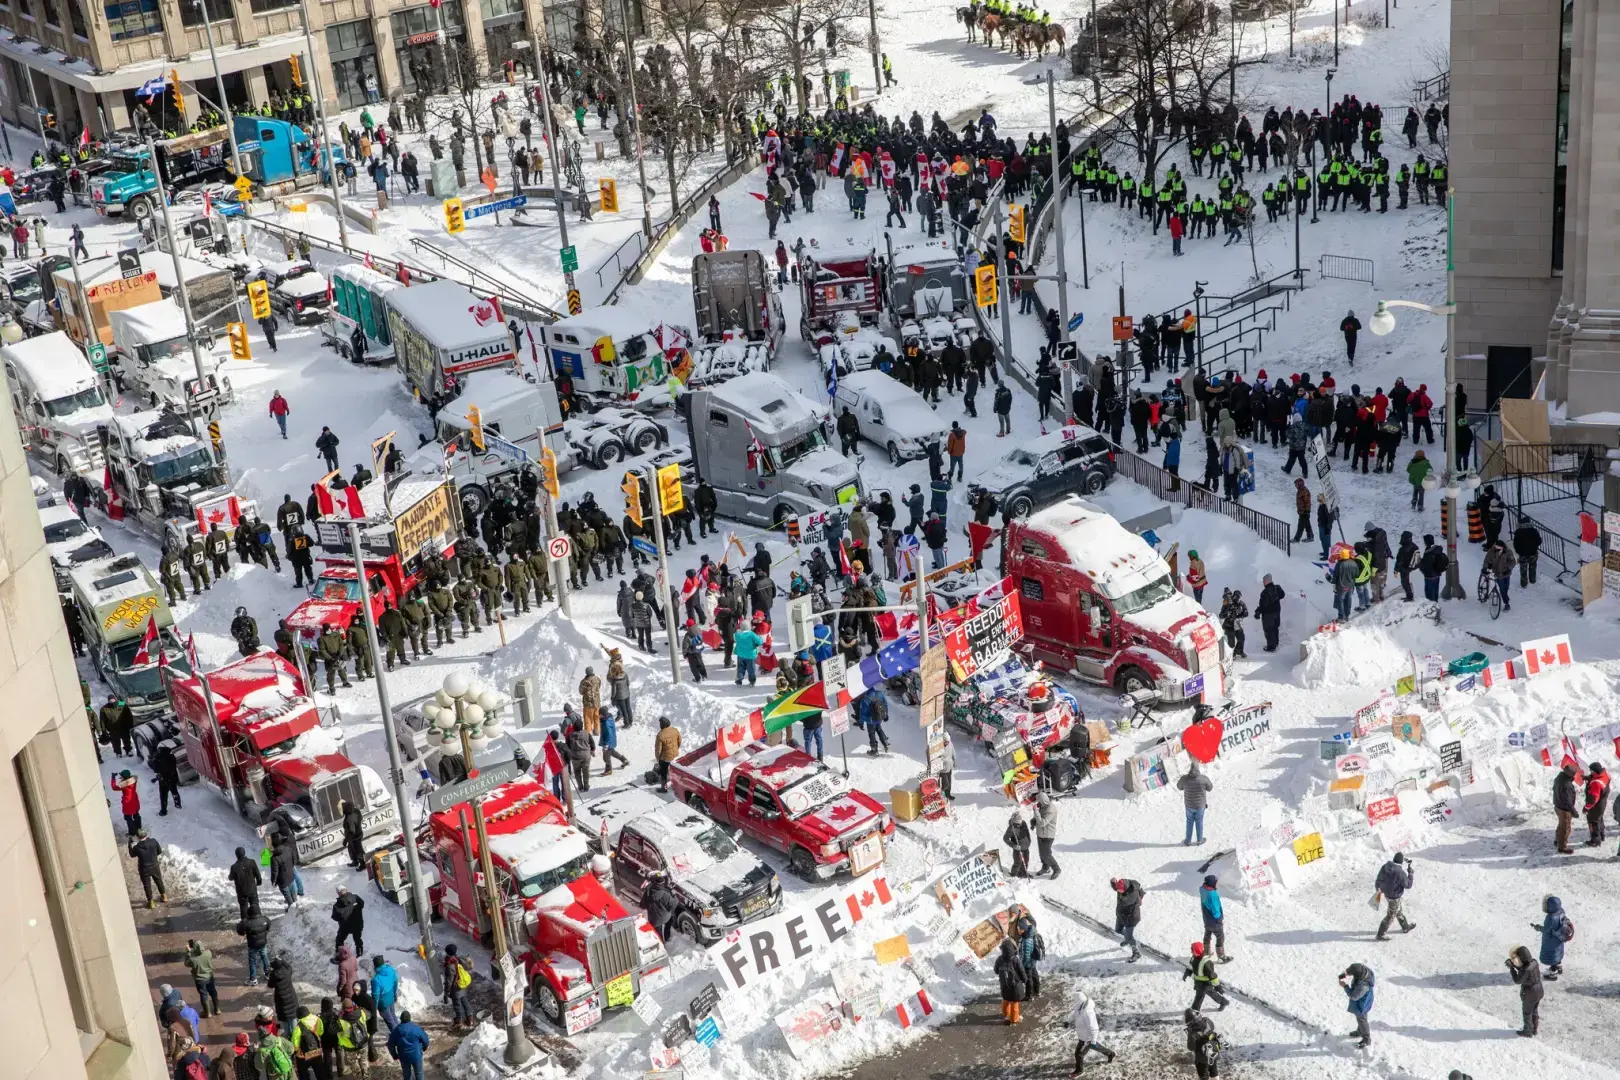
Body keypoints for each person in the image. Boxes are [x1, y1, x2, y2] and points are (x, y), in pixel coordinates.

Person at [1069, 988, 1116, 1076]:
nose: (1074, 1002)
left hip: (1086, 1038)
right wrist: (1068, 1021)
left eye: (1075, 1000)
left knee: (1079, 1054)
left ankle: (1079, 1071)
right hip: (1084, 1036)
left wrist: (1093, 1039)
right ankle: (1110, 1053)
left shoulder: (1088, 1012)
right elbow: (1075, 1013)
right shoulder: (1081, 1006)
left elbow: (1094, 1027)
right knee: (1094, 1046)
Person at [1374, 852, 1416, 939]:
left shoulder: (1385, 866)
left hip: (1387, 894)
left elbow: (1378, 878)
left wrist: (1378, 890)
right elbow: (1408, 885)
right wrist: (1411, 874)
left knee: (1397, 910)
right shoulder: (1400, 872)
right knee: (1390, 916)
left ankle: (1405, 927)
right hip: (1394, 896)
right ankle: (1380, 934)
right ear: (1401, 862)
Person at [1506, 946, 1542, 1037]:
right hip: (1539, 990)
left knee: (1527, 1012)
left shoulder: (1525, 969)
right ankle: (1534, 1029)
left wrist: (1511, 969)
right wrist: (1514, 965)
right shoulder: (1534, 962)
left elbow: (1517, 980)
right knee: (1534, 1010)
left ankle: (1527, 1031)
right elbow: (1524, 971)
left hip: (1530, 993)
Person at [1533, 895, 1571, 980]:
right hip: (1560, 938)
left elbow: (1546, 930)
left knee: (1552, 955)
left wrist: (1538, 928)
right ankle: (1559, 966)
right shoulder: (1561, 911)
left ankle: (1553, 973)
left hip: (1551, 940)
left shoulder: (1551, 918)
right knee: (1558, 952)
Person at [1177, 760, 1213, 845]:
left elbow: (1179, 787)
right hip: (1200, 806)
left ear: (1190, 769)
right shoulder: (1204, 779)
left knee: (1189, 822)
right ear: (1198, 769)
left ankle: (1188, 841)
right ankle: (1199, 840)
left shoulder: (1184, 778)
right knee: (1199, 821)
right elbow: (1210, 788)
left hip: (1189, 805)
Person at [127, 827, 166, 908]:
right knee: (159, 881)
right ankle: (164, 896)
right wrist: (153, 857)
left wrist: (129, 845)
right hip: (155, 866)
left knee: (147, 885)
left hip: (144, 868)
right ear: (146, 834)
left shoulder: (137, 848)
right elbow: (159, 851)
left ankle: (151, 902)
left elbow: (131, 854)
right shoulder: (153, 841)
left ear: (138, 837)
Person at [386, 1011, 431, 1080]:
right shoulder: (416, 1029)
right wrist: (423, 1048)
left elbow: (390, 1045)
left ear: (401, 1019)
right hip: (416, 1055)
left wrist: (394, 1055)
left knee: (407, 1074)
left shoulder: (396, 1031)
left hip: (403, 1057)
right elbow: (426, 1040)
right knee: (419, 1073)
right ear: (410, 1018)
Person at [1339, 962, 1375, 1047]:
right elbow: (1354, 969)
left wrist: (1345, 986)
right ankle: (1360, 1031)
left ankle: (1366, 1039)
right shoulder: (1364, 970)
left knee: (1362, 1019)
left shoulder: (1363, 986)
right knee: (1360, 1018)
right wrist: (1346, 973)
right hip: (1363, 999)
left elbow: (1354, 996)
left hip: (1362, 1003)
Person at [1184, 942, 1228, 1011]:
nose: (1191, 952)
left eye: (1192, 950)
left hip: (1205, 984)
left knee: (1199, 998)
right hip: (1198, 982)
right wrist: (1186, 973)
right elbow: (1191, 966)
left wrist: (1218, 987)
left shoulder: (1206, 962)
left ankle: (1195, 1012)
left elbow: (1212, 975)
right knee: (1212, 994)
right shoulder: (1194, 958)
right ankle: (1223, 1002)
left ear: (1197, 950)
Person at [236, 903, 272, 984]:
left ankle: (253, 979)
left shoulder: (246, 922)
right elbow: (268, 927)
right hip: (262, 943)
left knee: (252, 961)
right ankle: (268, 974)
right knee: (264, 957)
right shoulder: (265, 919)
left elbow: (240, 931)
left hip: (252, 945)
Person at [994, 939, 1027, 1025]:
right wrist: (1024, 979)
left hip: (1004, 984)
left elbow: (996, 971)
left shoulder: (999, 959)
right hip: (1015, 985)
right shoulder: (1015, 959)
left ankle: (1006, 1014)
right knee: (1014, 1003)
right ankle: (1014, 1019)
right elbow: (1021, 971)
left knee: (1006, 1000)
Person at [1110, 877, 1144, 962]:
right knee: (1118, 930)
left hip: (1131, 918)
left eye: (1120, 890)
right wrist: (1114, 884)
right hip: (1122, 915)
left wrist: (1117, 889)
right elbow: (1118, 889)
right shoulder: (1124, 887)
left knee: (1129, 936)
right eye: (1119, 890)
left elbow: (1123, 902)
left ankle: (1136, 953)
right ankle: (1127, 938)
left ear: (1125, 888)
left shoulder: (1132, 895)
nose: (1119, 892)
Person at [442, 945, 474, 1029]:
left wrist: (446, 993)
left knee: (457, 1005)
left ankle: (458, 1021)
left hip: (456, 988)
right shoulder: (459, 959)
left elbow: (449, 982)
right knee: (464, 1001)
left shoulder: (450, 965)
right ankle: (470, 1018)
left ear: (447, 953)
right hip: (463, 984)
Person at [184, 940, 219, 1017]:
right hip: (210, 976)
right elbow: (201, 953)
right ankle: (217, 1009)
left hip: (200, 979)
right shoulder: (208, 953)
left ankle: (207, 1013)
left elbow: (186, 963)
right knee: (213, 992)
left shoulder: (193, 960)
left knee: (204, 995)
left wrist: (188, 952)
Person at [1199, 874, 1230, 961]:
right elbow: (1216, 910)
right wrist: (1220, 917)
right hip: (1214, 920)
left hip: (1206, 917)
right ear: (1211, 883)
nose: (1216, 884)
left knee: (1207, 933)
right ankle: (1221, 957)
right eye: (1215, 882)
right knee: (1220, 936)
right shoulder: (1212, 895)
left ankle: (1206, 952)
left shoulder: (1202, 889)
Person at [1186, 1009, 1222, 1080]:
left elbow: (1191, 1047)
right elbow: (1212, 1027)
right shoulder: (1207, 1020)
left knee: (1203, 1075)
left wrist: (1189, 1036)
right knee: (1213, 1069)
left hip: (1202, 1058)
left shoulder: (1192, 1033)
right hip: (1213, 1050)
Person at [228, 845, 262, 919]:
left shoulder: (234, 867)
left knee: (243, 908)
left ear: (236, 855)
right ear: (244, 853)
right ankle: (258, 919)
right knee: (255, 904)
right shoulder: (251, 862)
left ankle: (245, 923)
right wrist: (259, 881)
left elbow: (230, 878)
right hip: (252, 889)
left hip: (241, 891)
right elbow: (257, 874)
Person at [1032, 792, 1061, 878]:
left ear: (1043, 800)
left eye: (1039, 801)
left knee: (1046, 854)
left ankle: (1057, 869)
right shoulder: (1042, 806)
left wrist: (1035, 811)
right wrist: (1034, 820)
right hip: (1040, 834)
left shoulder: (1051, 809)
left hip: (1048, 835)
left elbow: (1042, 822)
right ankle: (1045, 868)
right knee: (1042, 854)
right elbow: (1039, 817)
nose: (1038, 803)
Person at [1552, 762, 1578, 854]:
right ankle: (1562, 847)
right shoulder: (1567, 785)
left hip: (1558, 805)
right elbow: (1568, 801)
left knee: (1561, 824)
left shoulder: (1559, 778)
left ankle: (1558, 840)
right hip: (1564, 809)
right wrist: (1573, 811)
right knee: (1566, 828)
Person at [331, 886, 365, 954]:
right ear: (346, 889)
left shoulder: (336, 906)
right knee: (358, 940)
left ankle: (339, 955)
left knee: (339, 941)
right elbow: (362, 904)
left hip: (345, 927)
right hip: (357, 925)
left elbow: (335, 917)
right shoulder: (355, 897)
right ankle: (360, 954)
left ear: (338, 893)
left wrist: (342, 917)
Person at [1255, 574, 1284, 651]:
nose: (1263, 582)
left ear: (1267, 581)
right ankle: (1276, 643)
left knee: (1268, 630)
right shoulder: (1277, 588)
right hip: (1277, 612)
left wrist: (1258, 612)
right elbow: (1283, 595)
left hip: (1268, 614)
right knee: (1275, 628)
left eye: (1264, 581)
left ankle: (1271, 647)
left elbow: (1263, 605)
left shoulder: (1265, 593)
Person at [370, 955, 400, 1032]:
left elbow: (375, 996)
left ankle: (398, 1038)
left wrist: (375, 1007)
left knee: (390, 1022)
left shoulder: (376, 980)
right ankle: (400, 1032)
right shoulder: (390, 969)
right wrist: (394, 994)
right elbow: (395, 982)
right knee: (393, 1016)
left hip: (383, 1003)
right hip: (391, 996)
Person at [1484, 539, 1516, 611]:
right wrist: (1485, 568)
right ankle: (1506, 603)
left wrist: (1509, 569)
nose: (1496, 549)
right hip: (1497, 574)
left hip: (1506, 573)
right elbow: (1486, 560)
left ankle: (1505, 597)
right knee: (1502, 588)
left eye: (1498, 548)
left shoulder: (1508, 552)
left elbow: (1513, 562)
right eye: (1496, 548)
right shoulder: (1491, 551)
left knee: (1506, 587)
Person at [1584, 761, 1610, 845]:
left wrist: (1586, 807)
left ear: (1594, 771)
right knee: (1599, 818)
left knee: (1593, 822)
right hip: (1602, 803)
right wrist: (1589, 778)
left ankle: (1595, 840)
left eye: (1591, 771)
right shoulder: (1605, 774)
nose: (1590, 772)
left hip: (1596, 805)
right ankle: (1601, 835)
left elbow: (1593, 799)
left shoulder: (1596, 783)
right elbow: (1598, 778)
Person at [1418, 534, 1448, 602]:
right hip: (1437, 574)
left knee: (1430, 594)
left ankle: (1432, 608)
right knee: (1435, 591)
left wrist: (1420, 565)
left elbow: (1426, 565)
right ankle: (1436, 604)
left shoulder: (1429, 552)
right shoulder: (1436, 549)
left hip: (1430, 576)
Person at [1004, 807, 1032, 877]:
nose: (1019, 825)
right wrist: (1014, 845)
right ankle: (1013, 875)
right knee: (1018, 862)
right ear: (1014, 822)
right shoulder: (1011, 829)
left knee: (1026, 861)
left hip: (1026, 847)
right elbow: (1005, 838)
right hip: (1018, 848)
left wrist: (1029, 840)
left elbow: (1027, 832)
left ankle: (1023, 873)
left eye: (1020, 823)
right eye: (1017, 824)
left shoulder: (1023, 823)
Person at [654, 716, 681, 791]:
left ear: (661, 725)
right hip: (675, 755)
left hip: (665, 758)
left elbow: (658, 749)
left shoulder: (660, 735)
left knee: (663, 773)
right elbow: (679, 741)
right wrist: (676, 749)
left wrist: (658, 758)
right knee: (675, 770)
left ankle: (663, 788)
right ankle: (677, 785)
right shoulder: (675, 730)